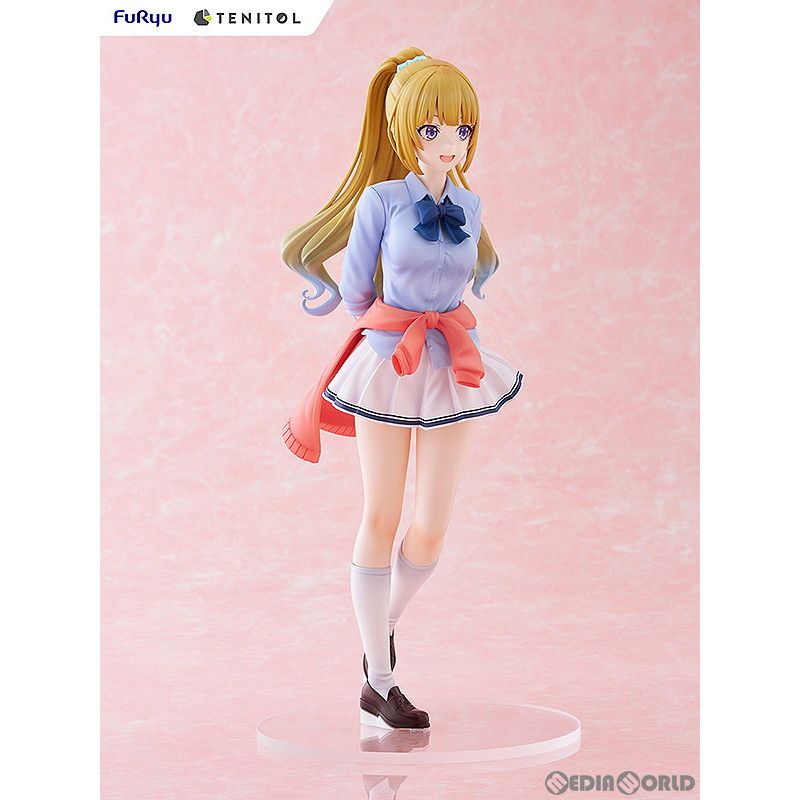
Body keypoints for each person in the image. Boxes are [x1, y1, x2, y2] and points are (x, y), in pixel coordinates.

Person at [280, 47, 524, 730]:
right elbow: (357, 290)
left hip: (452, 363)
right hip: (391, 363)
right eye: (433, 128)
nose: (451, 143)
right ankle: (382, 682)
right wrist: (397, 328)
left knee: (432, 526)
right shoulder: (381, 201)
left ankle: (377, 633)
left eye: (462, 129)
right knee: (381, 514)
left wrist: (439, 326)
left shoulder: (470, 204)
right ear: (404, 130)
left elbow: (462, 280)